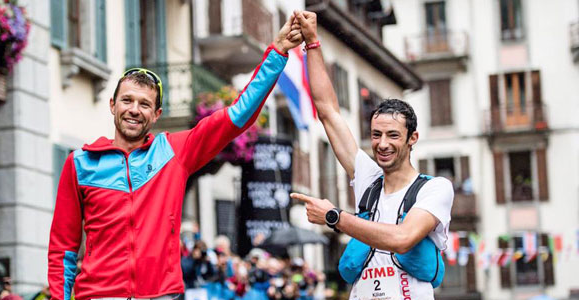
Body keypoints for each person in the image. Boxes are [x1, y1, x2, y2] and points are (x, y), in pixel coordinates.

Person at [47, 13, 304, 300]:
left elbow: (237, 115)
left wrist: (278, 51)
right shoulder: (79, 163)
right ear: (112, 105)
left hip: (161, 295)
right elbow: (63, 250)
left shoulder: (174, 151)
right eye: (127, 100)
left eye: (144, 104)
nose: (134, 109)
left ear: (156, 115)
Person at [290, 11, 454, 300]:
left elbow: (402, 239)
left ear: (412, 139)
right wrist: (312, 43)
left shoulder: (434, 189)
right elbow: (327, 111)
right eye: (376, 134)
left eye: (393, 135)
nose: (382, 144)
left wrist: (334, 217)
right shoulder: (369, 179)